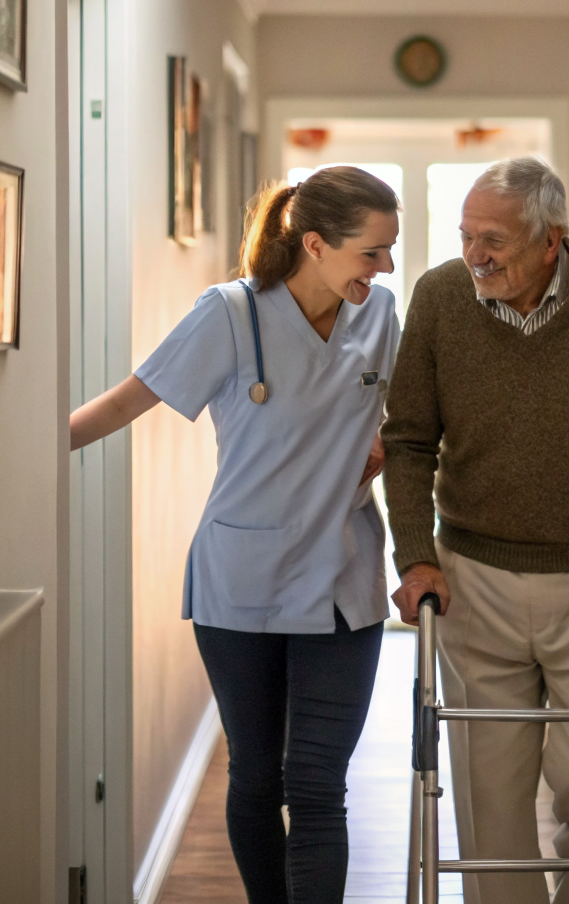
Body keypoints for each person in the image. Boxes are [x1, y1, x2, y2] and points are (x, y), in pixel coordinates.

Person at [69, 166, 402, 904]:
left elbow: (399, 426)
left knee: (318, 784)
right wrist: (32, 457)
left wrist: (379, 454)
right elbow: (129, 400)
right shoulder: (229, 314)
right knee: (257, 775)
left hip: (345, 580)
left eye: (389, 252)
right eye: (371, 252)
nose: (384, 269)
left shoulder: (380, 316)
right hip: (241, 581)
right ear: (315, 244)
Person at [382, 157, 569, 904]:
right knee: (492, 796)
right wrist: (415, 557)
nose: (475, 257)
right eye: (465, 237)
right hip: (473, 576)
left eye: (493, 240)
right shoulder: (440, 297)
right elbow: (410, 438)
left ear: (550, 241)